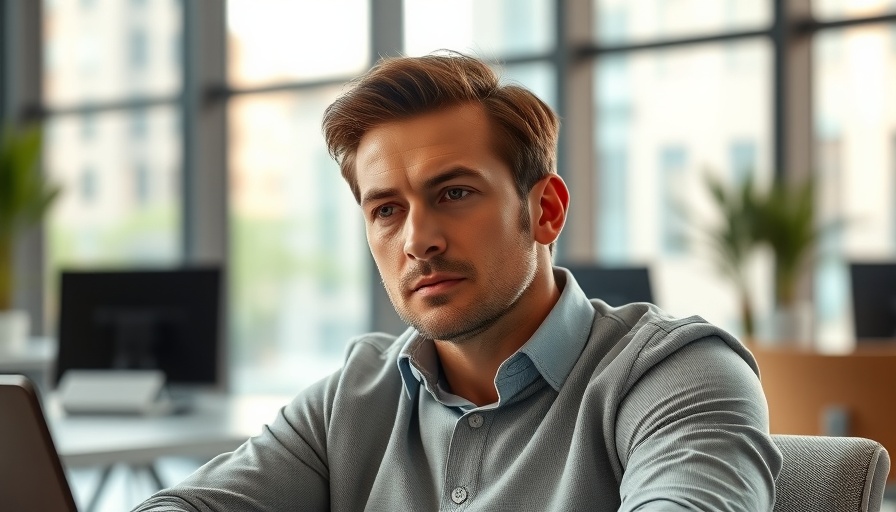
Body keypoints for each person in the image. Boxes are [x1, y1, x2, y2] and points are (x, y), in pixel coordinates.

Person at [134, 52, 782, 512]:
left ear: (545, 210)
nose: (418, 239)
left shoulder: (675, 373)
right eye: (386, 210)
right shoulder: (356, 397)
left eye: (454, 192)